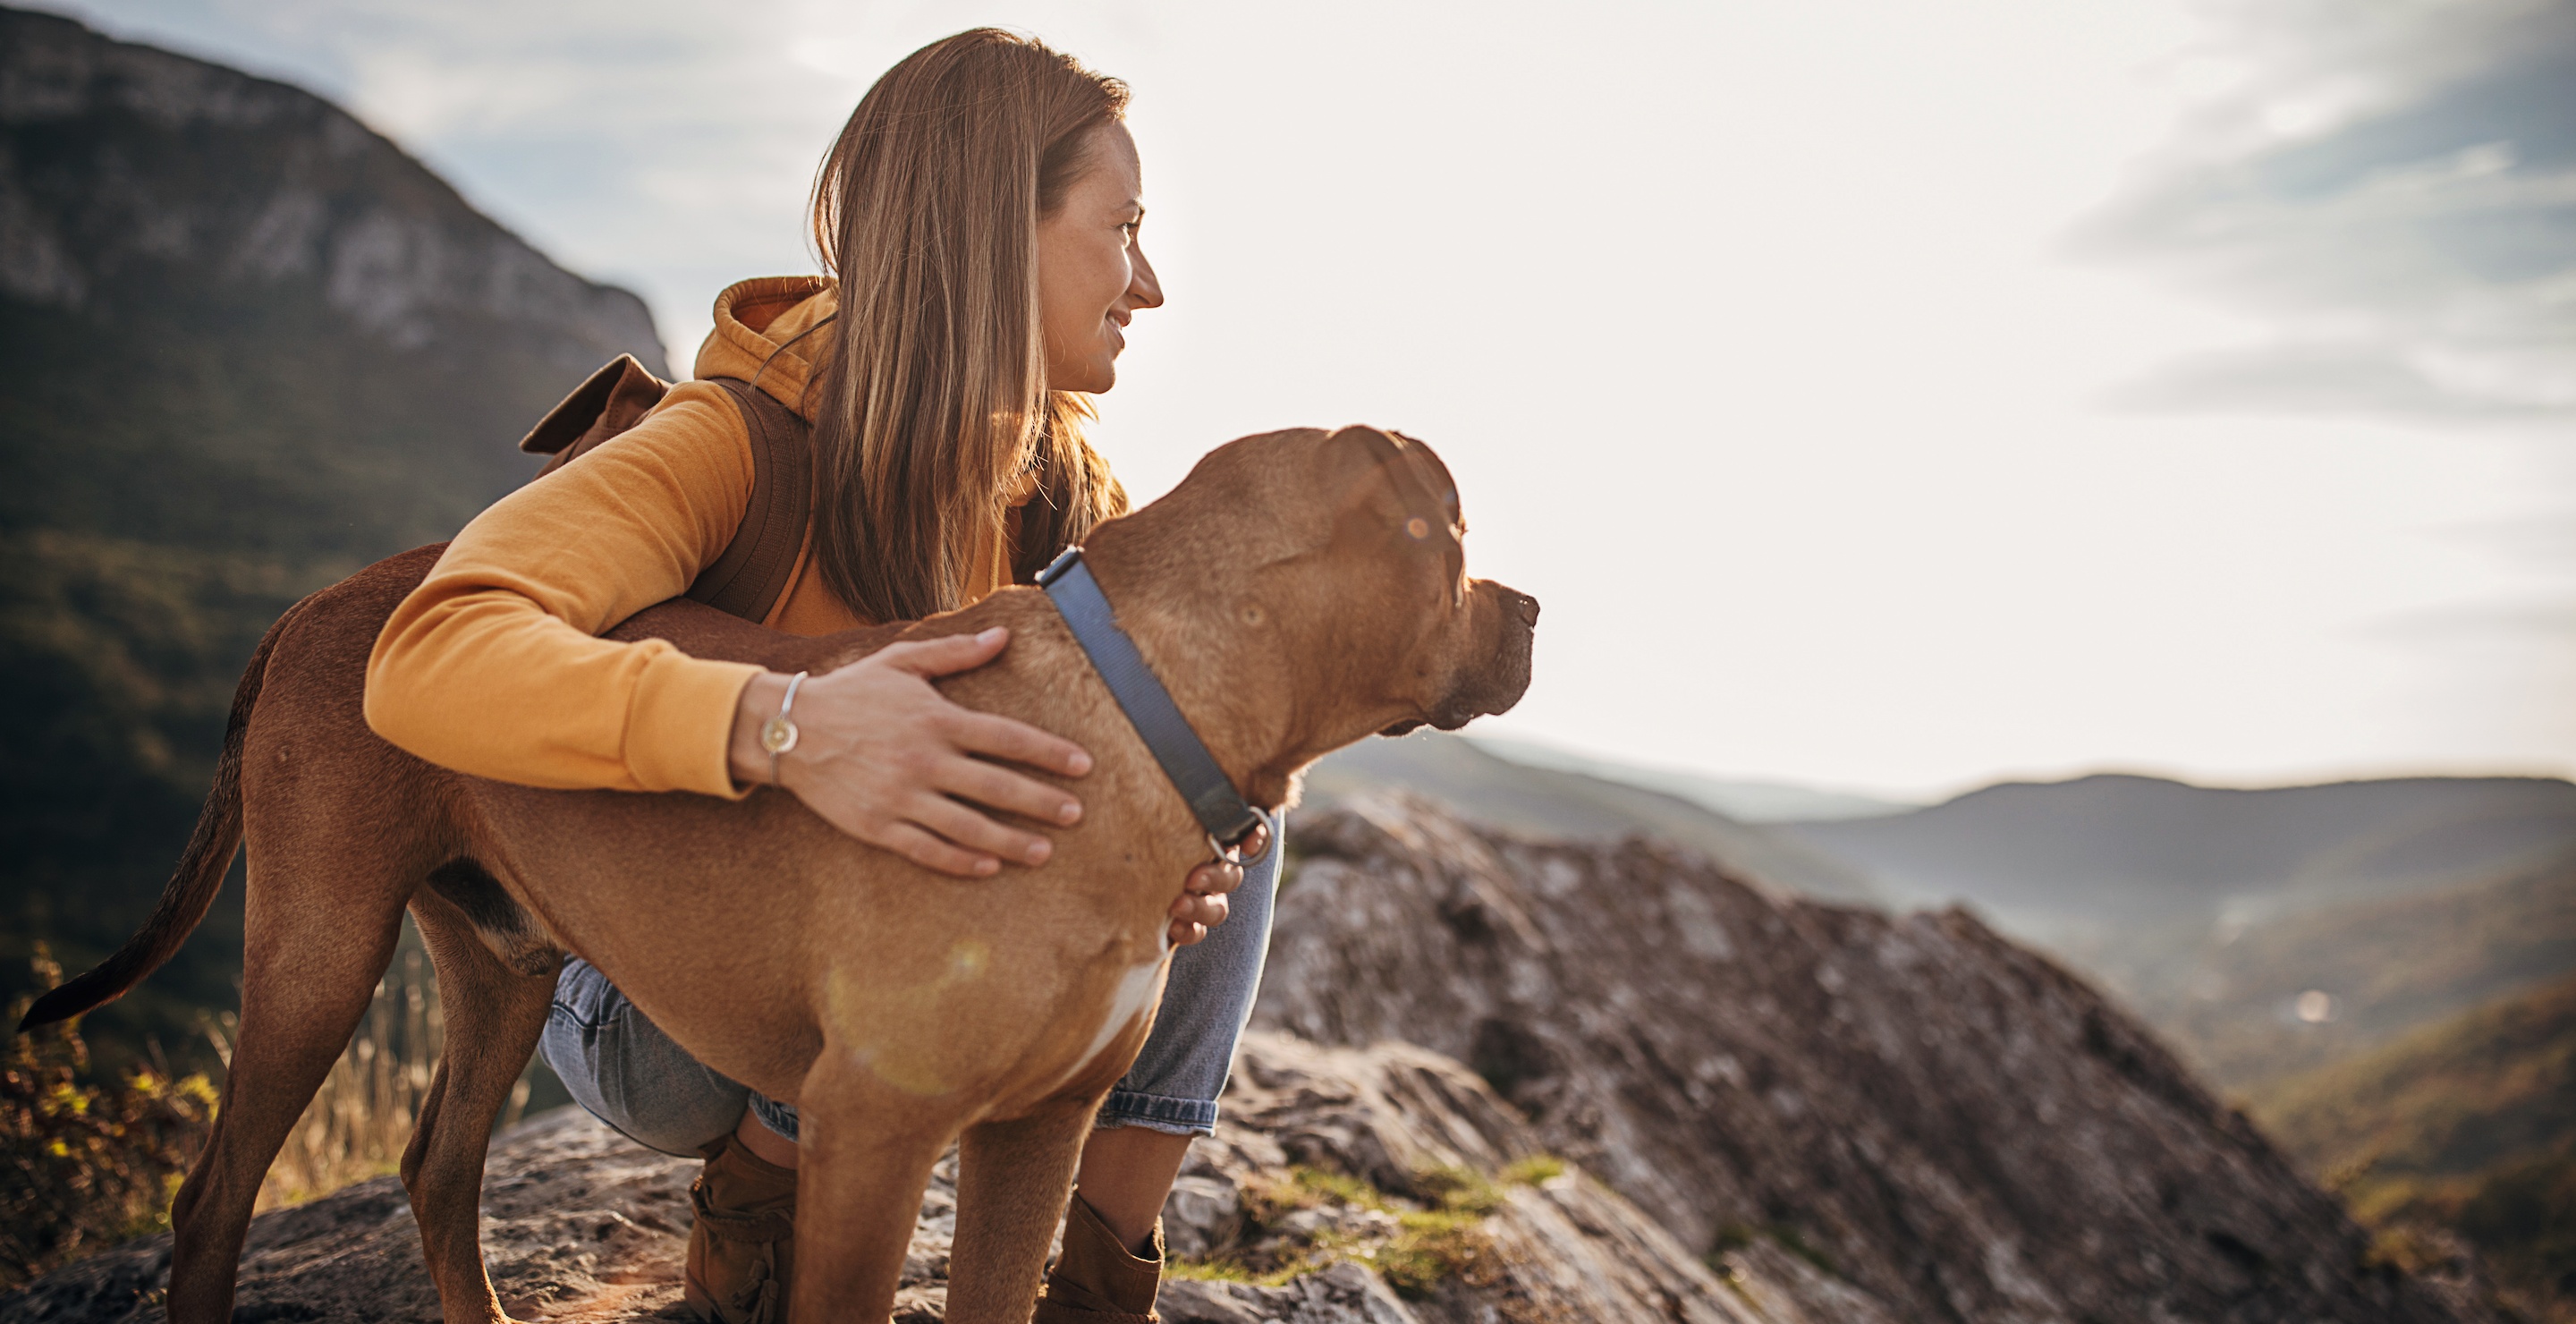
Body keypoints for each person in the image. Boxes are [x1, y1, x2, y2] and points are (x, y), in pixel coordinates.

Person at [363, 29, 1276, 1324]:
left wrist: (1169, 871)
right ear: (984, 232)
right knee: (897, 852)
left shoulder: (1064, 495)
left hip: (893, 995)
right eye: (1122, 227)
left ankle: (1096, 1270)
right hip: (662, 1009)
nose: (1151, 283)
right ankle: (761, 1218)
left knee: (1232, 783)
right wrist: (786, 727)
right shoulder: (728, 442)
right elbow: (426, 651)